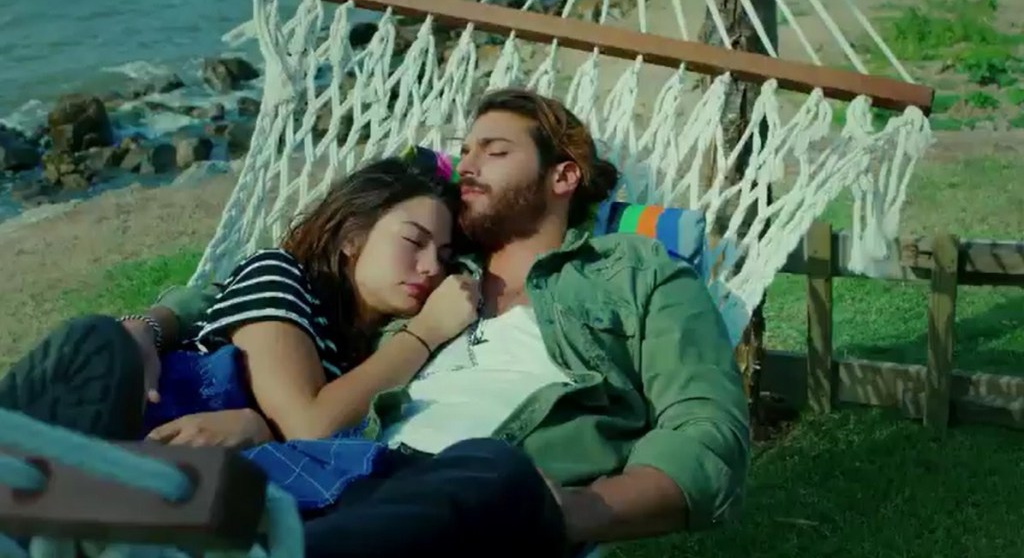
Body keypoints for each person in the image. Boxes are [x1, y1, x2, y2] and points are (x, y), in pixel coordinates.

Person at [84, 88, 751, 557]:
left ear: (563, 177)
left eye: (494, 151)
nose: (466, 164)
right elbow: (262, 287)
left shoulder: (635, 272)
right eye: (464, 150)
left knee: (492, 471)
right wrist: (144, 326)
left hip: (482, 493)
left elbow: (704, 429)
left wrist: (571, 511)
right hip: (333, 470)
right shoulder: (427, 276)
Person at [0, 154, 473, 456]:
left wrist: (261, 429)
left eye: (445, 256)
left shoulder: (365, 353)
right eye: (414, 241)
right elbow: (309, 425)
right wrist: (426, 332)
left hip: (162, 476)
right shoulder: (280, 275)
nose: (431, 267)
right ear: (352, 237)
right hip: (124, 419)